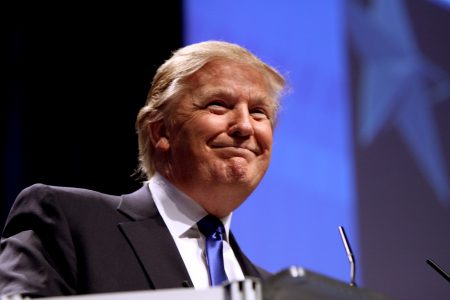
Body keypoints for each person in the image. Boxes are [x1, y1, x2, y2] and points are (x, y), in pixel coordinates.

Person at [0, 40, 286, 298]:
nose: (245, 126)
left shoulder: (273, 289)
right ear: (161, 132)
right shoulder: (69, 222)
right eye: (219, 105)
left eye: (259, 112)